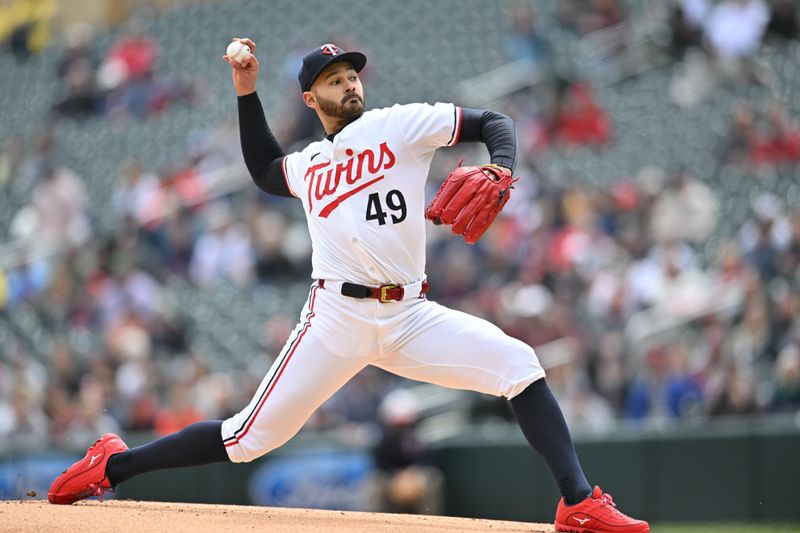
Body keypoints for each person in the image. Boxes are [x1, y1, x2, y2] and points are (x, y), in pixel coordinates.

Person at [48, 39, 648, 533]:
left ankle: (576, 502)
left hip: (410, 314)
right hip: (335, 319)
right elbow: (262, 169)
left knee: (519, 362)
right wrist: (246, 91)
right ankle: (114, 465)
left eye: (352, 75)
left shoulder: (400, 125)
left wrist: (502, 165)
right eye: (334, 81)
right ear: (312, 98)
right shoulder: (309, 165)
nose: (350, 85)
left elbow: (495, 121)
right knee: (247, 438)